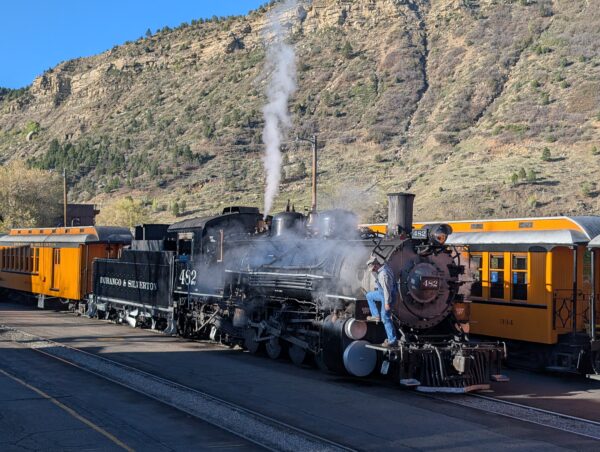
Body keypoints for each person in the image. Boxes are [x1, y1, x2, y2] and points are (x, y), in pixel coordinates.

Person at [365, 256, 398, 347]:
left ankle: (392, 340)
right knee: (369, 296)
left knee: (386, 318)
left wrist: (387, 303)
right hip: (381, 293)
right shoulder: (385, 266)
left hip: (387, 296)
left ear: (376, 265)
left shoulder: (383, 274)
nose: (373, 270)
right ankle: (375, 315)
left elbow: (387, 290)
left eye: (373, 268)